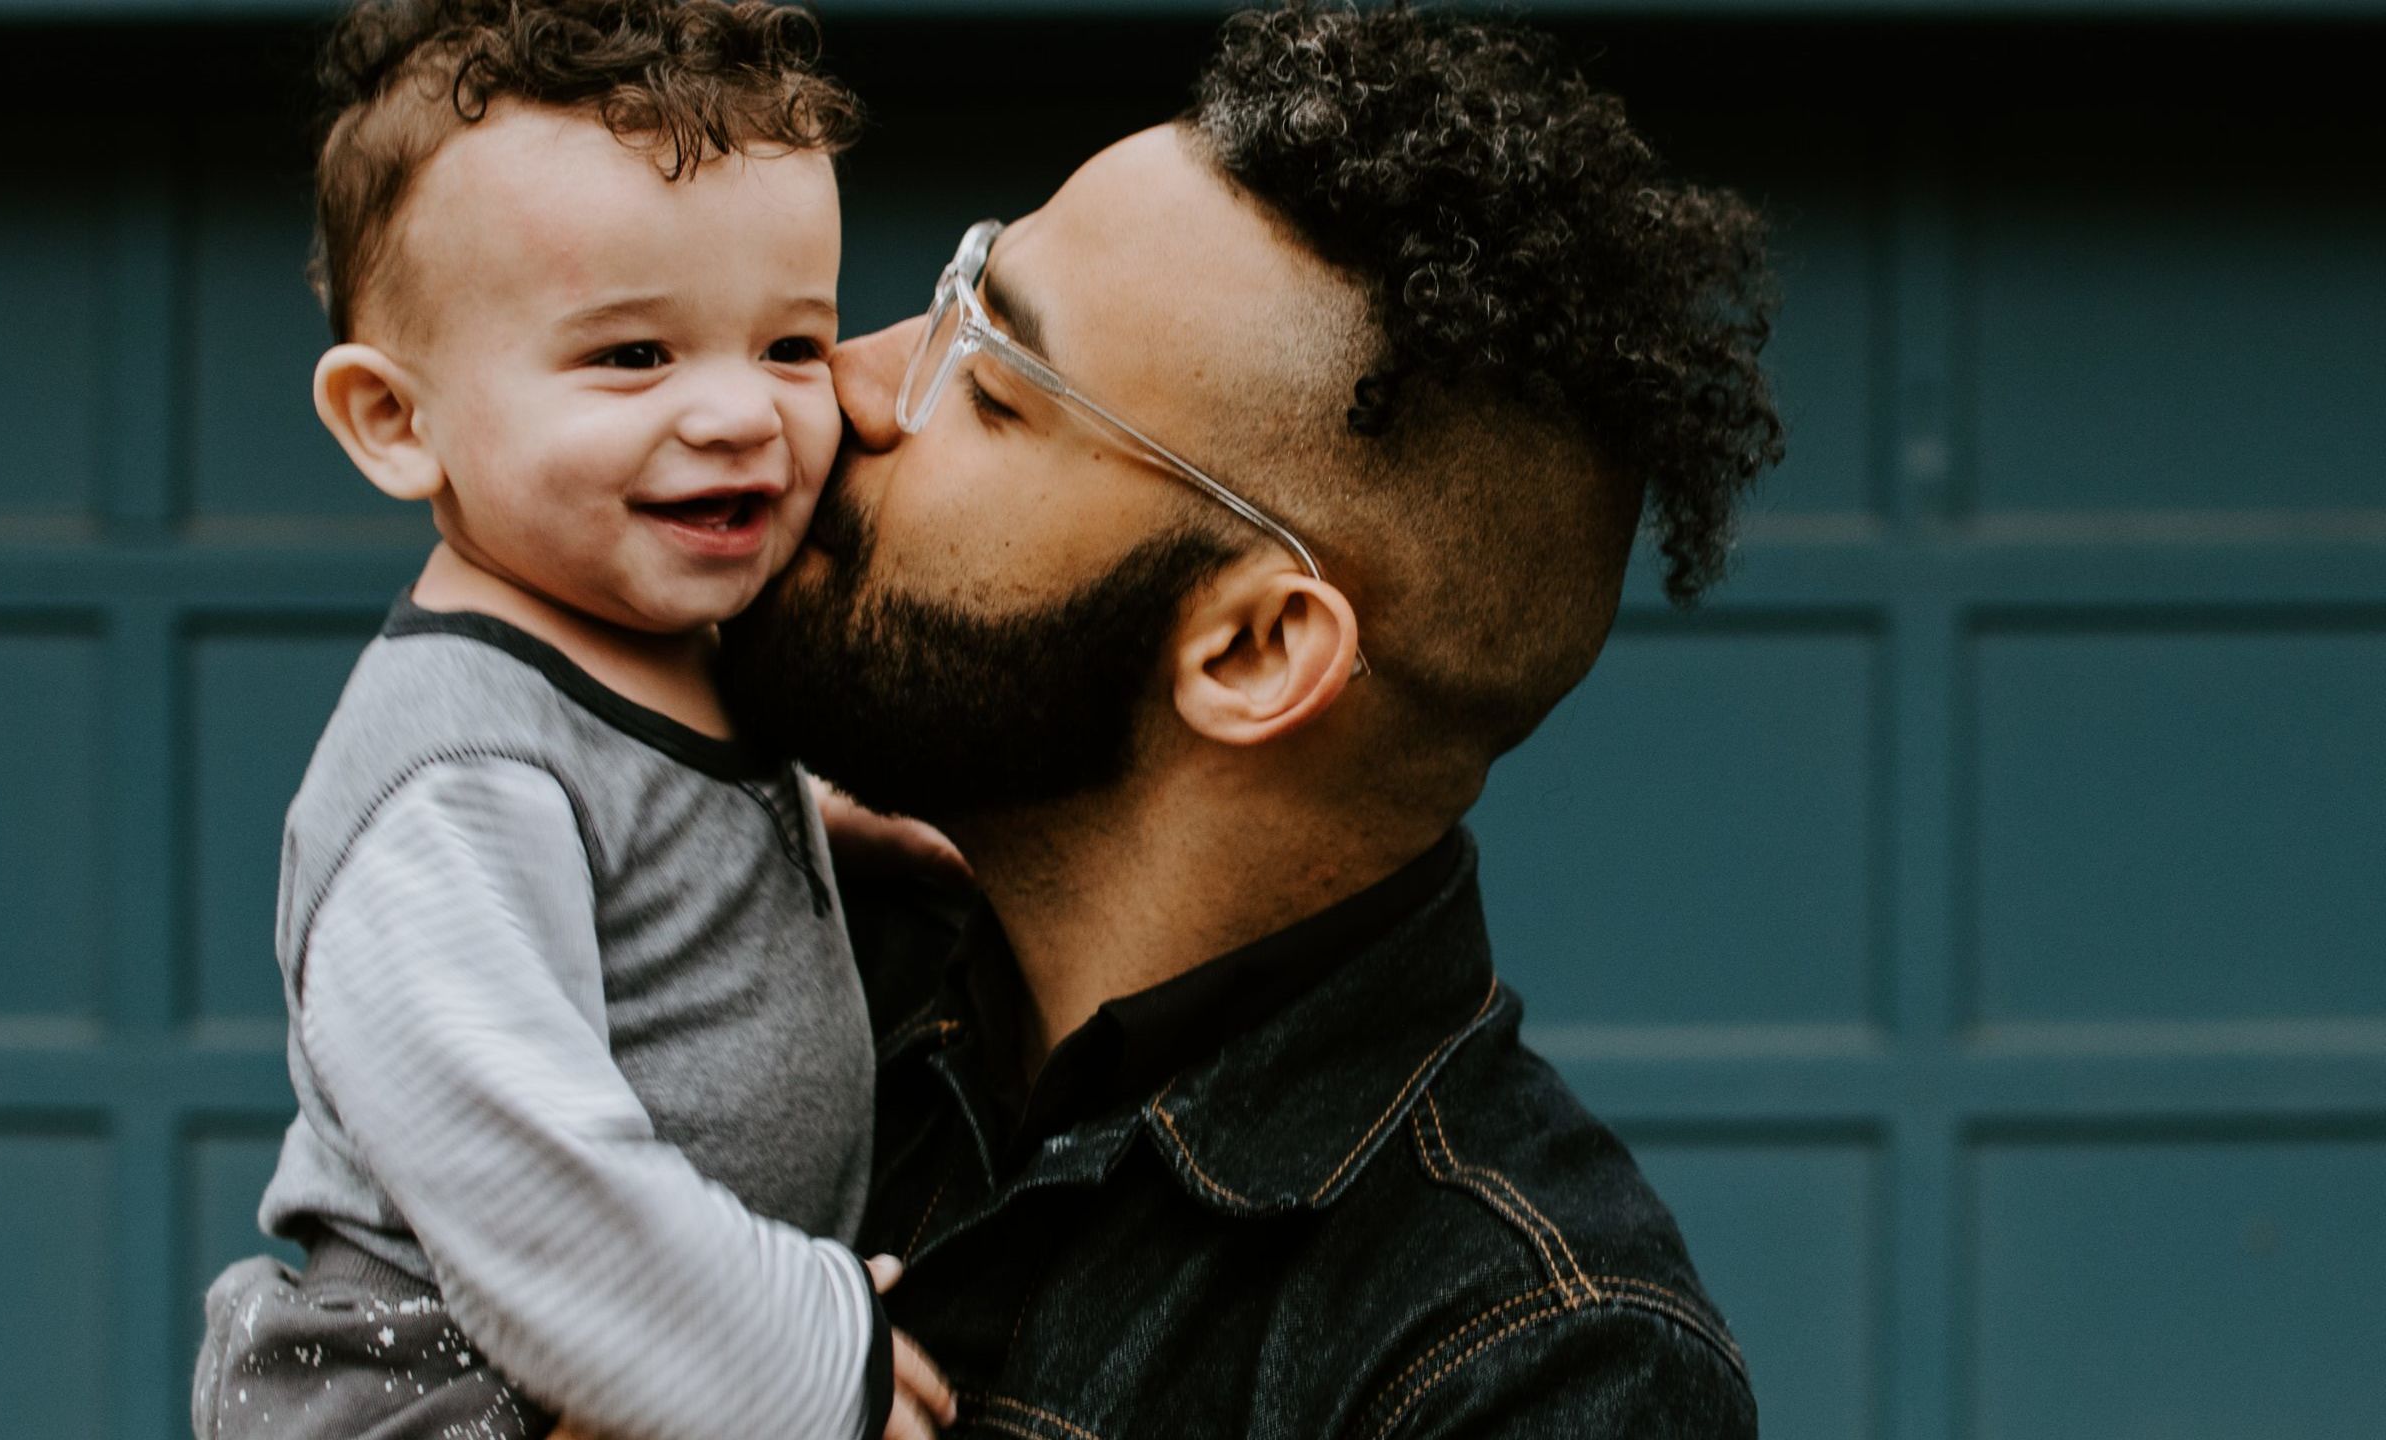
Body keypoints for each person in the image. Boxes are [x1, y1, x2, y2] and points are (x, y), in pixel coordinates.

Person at [717, 2, 1786, 1434]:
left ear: (1256, 649)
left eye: (994, 380)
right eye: (953, 288)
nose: (844, 381)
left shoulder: (1523, 1361)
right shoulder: (742, 942)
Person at [190, 0, 954, 1436]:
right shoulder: (457, 775)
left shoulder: (658, 647)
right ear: (393, 420)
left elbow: (645, 860)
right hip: (443, 1384)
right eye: (632, 358)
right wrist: (795, 1356)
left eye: (792, 345)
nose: (739, 414)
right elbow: (521, 1172)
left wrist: (836, 844)